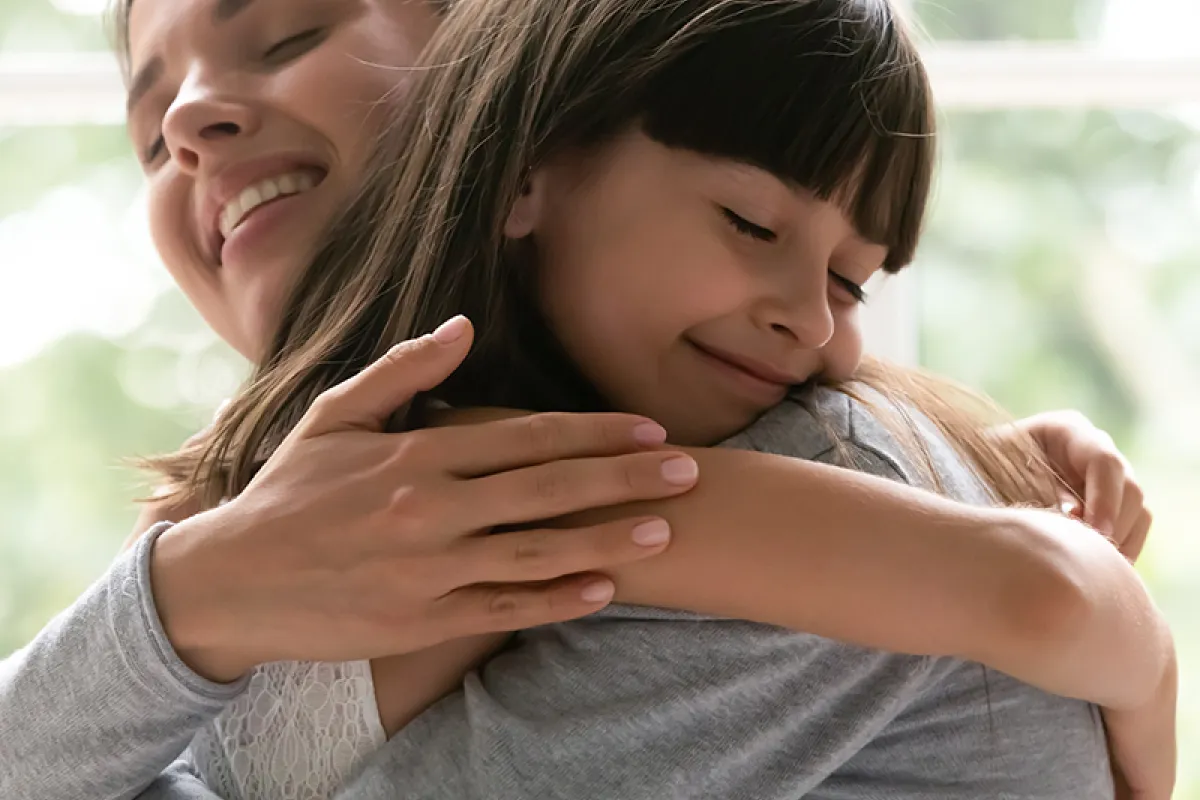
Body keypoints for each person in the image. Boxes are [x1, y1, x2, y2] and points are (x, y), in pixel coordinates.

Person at [0, 0, 1171, 798]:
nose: (189, 122)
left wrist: (1116, 625)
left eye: (292, 27)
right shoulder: (287, 515)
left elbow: (1033, 591)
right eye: (148, 131)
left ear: (501, 67)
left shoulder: (771, 486)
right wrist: (188, 595)